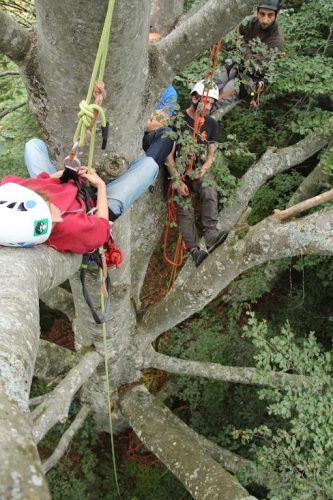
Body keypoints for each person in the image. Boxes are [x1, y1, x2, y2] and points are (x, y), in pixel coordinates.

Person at [0, 138, 159, 252]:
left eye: (49, 210)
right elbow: (102, 227)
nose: (57, 218)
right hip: (94, 204)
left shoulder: (16, 190)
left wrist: (61, 175)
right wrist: (100, 185)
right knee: (149, 166)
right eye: (52, 224)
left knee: (33, 145)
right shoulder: (71, 229)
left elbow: (40, 182)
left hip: (64, 186)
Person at [165, 80, 228, 267]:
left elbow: (211, 155)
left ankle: (211, 236)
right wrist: (176, 180)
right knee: (185, 207)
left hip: (196, 166)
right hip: (176, 167)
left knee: (209, 190)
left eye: (211, 103)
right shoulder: (178, 120)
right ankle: (194, 250)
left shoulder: (211, 124)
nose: (208, 107)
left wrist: (204, 170)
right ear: (194, 98)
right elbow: (168, 154)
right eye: (205, 102)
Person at [214, 0, 284, 109]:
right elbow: (233, 41)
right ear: (257, 12)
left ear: (277, 14)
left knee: (223, 95)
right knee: (212, 84)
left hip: (251, 78)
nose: (265, 20)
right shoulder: (249, 23)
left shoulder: (276, 41)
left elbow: (254, 65)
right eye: (262, 14)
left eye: (270, 15)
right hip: (236, 64)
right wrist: (242, 47)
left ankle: (202, 122)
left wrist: (242, 45)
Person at [143, 83, 177, 168]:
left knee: (167, 134)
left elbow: (158, 123)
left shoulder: (170, 92)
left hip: (146, 136)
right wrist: (152, 115)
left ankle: (145, 171)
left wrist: (141, 116)